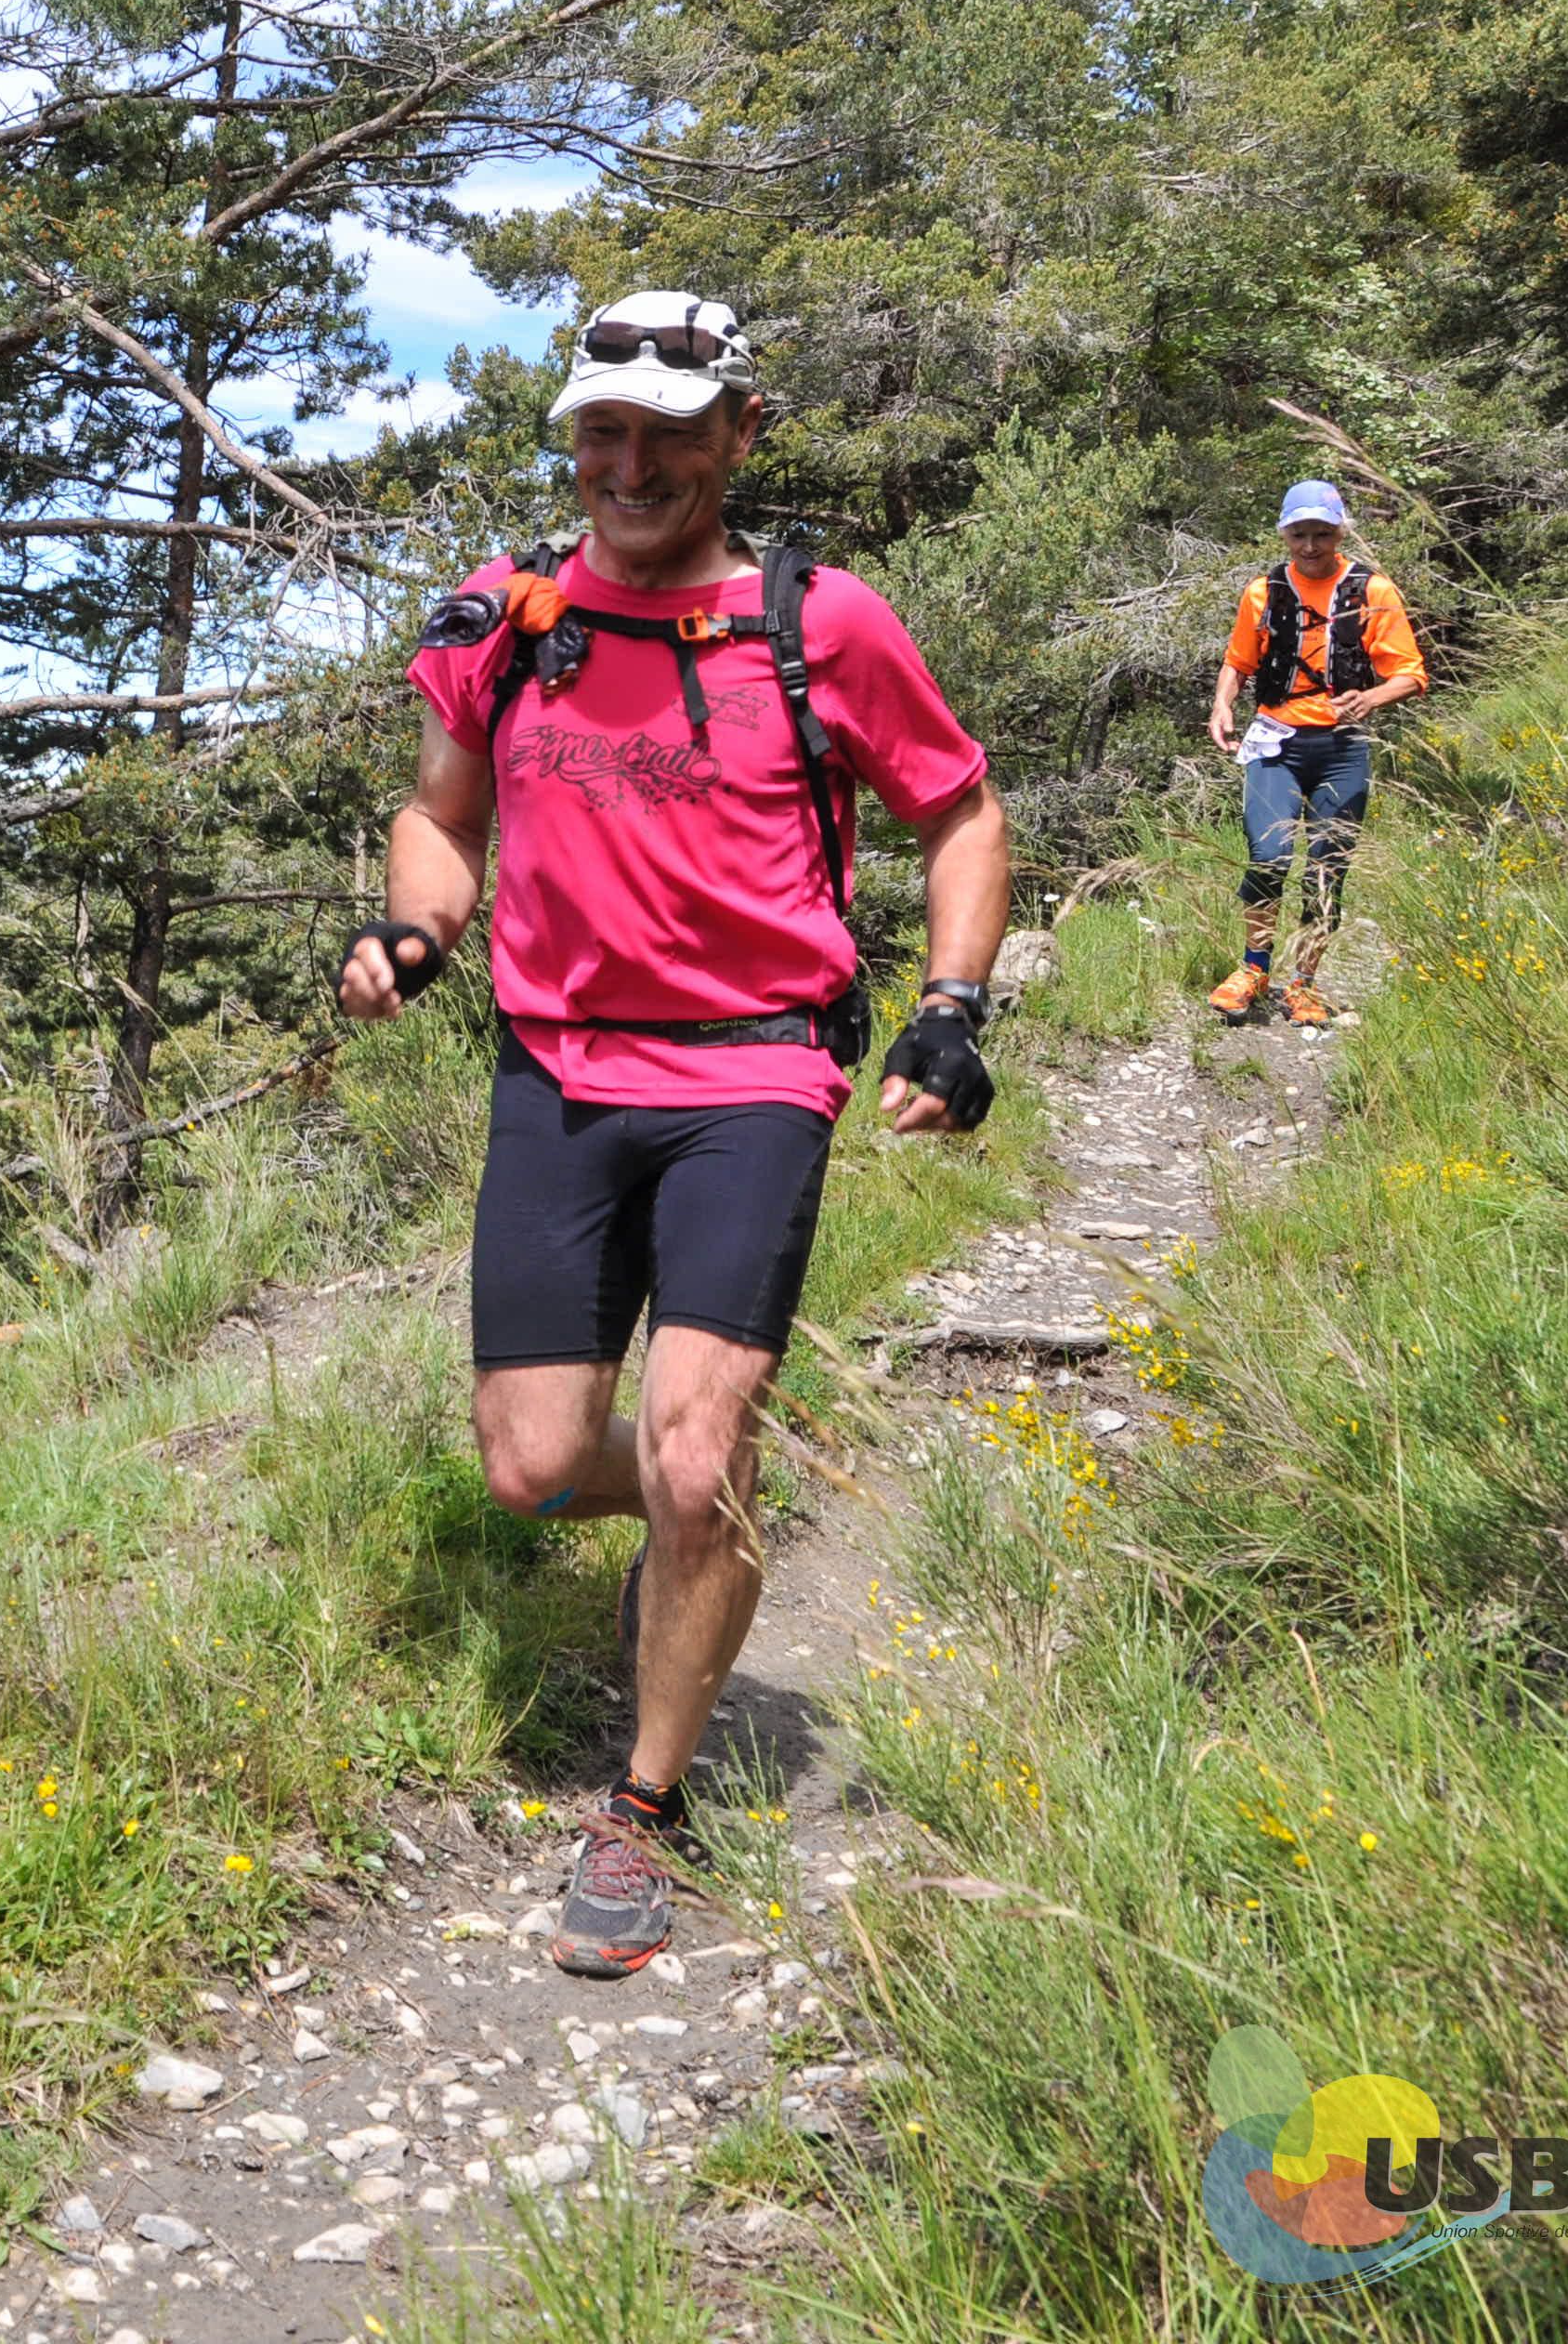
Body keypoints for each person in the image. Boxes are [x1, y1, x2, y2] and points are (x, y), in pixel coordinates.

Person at [333, 290, 1012, 1980]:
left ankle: (642, 1805)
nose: (630, 466)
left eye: (668, 434)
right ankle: (706, 1490)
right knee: (528, 1468)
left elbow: (957, 811)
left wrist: (950, 1004)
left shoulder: (819, 620)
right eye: (601, 432)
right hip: (557, 1072)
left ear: (740, 433)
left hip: (753, 1070)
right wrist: (415, 929)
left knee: (693, 1457)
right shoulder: (506, 615)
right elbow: (439, 814)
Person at [1202, 480, 1428, 1027]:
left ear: (1340, 533)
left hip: (1342, 748)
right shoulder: (1263, 592)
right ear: (1284, 533)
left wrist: (1372, 697)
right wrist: (1222, 705)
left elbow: (1411, 673)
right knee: (1268, 855)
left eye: (1321, 534)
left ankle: (1303, 983)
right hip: (1275, 742)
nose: (1309, 546)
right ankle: (1254, 969)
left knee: (1328, 867)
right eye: (1299, 534)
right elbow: (1238, 662)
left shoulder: (1372, 591)